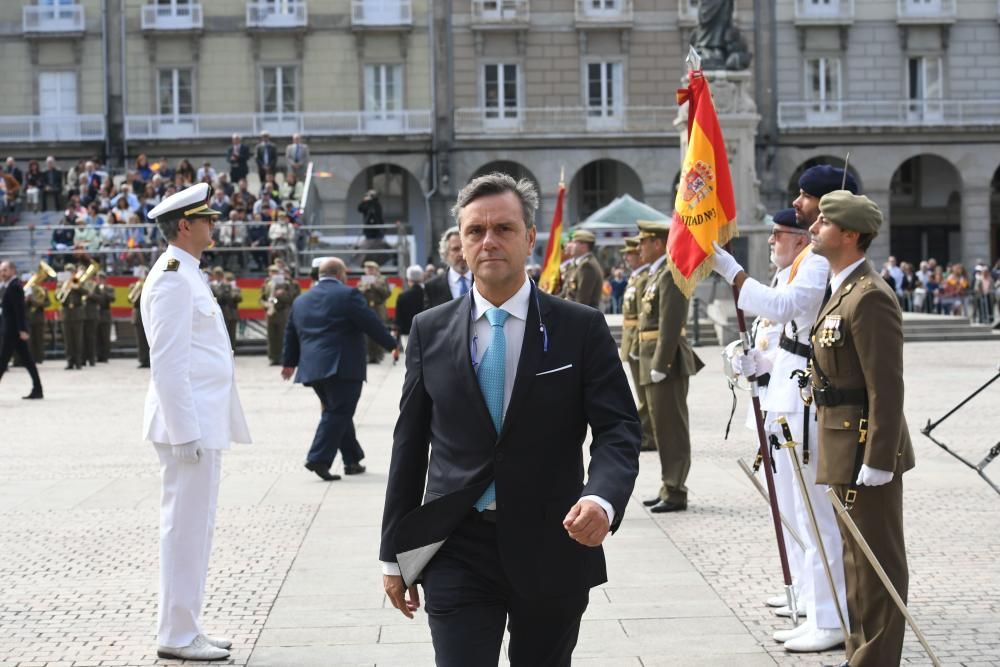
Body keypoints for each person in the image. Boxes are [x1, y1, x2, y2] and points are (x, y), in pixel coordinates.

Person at [379, 172, 640, 666]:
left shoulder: (578, 328)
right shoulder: (429, 331)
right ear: (460, 241)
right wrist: (393, 552)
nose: (488, 241)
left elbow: (619, 429)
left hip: (553, 540)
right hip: (456, 543)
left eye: (503, 228)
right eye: (475, 231)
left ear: (530, 238)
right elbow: (408, 448)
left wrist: (602, 497)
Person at [712, 208, 849, 653]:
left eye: (777, 234)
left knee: (816, 518)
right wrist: (755, 364)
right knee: (797, 513)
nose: (771, 241)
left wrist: (733, 273)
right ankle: (812, 602)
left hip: (802, 402)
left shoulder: (813, 262)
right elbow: (780, 335)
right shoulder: (791, 268)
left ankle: (829, 616)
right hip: (782, 399)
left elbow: (788, 311)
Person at [142, 182, 252, 661]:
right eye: (206, 219)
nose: (213, 225)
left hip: (202, 422)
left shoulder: (188, 272)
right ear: (185, 225)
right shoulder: (170, 277)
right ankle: (177, 634)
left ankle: (187, 624)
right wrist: (184, 431)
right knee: (183, 530)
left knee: (196, 529)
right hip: (187, 427)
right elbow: (167, 364)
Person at [807, 190, 915, 666]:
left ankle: (876, 659)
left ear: (849, 235)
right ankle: (860, 654)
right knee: (855, 565)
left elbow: (886, 387)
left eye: (824, 223)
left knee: (878, 565)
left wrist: (879, 459)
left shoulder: (869, 297)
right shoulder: (842, 289)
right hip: (841, 444)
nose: (813, 228)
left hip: (864, 448)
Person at [281, 257, 398, 481]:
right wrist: (392, 344)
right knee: (338, 412)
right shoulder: (348, 295)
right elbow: (370, 322)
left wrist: (289, 363)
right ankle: (318, 458)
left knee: (337, 410)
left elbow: (291, 334)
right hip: (342, 366)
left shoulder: (301, 301)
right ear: (340, 274)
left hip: (312, 368)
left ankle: (352, 460)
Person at [635, 220, 704, 513]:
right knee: (661, 428)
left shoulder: (671, 274)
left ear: (659, 244)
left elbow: (670, 323)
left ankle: (676, 490)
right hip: (652, 358)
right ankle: (668, 486)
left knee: (672, 429)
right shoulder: (657, 275)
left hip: (668, 363)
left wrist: (661, 362)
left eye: (644, 242)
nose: (639, 248)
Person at [618, 237, 656, 452]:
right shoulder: (636, 278)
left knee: (645, 395)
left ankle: (648, 435)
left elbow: (643, 315)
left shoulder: (643, 278)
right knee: (641, 393)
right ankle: (647, 433)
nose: (628, 257)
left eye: (630, 253)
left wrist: (635, 344)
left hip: (639, 339)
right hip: (631, 337)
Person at [0, 260, 44, 399]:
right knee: (27, 360)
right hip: (9, 329)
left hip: (13, 331)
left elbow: (19, 310)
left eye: (5, 270)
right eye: (1, 270)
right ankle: (38, 388)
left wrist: (22, 330)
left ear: (13, 270)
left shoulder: (15, 286)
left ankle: (38, 388)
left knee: (2, 360)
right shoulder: (6, 286)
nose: (2, 273)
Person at [424, 226, 472, 307]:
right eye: (456, 249)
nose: (462, 254)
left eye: (465, 247)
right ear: (445, 253)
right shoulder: (432, 287)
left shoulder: (486, 281)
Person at [260, 265, 295, 366]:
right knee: (271, 336)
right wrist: (267, 305)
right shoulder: (267, 284)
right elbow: (261, 298)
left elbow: (291, 298)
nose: (273, 274)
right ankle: (273, 357)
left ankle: (282, 357)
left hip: (281, 312)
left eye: (275, 272)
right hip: (270, 312)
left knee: (282, 335)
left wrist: (282, 294)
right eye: (271, 272)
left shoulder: (286, 284)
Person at [358, 261, 392, 364]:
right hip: (367, 308)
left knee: (379, 331)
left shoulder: (382, 279)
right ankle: (369, 355)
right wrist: (365, 288)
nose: (369, 271)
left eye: (371, 269)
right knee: (367, 333)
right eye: (367, 269)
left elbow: (387, 293)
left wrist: (374, 285)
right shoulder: (363, 280)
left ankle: (378, 355)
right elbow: (358, 293)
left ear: (376, 270)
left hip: (378, 307)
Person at [561, 229, 604, 308]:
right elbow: (566, 293)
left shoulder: (587, 265)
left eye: (574, 242)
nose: (570, 245)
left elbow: (582, 300)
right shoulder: (579, 264)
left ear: (583, 247)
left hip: (581, 316)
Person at [57, 263, 86, 370]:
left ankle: (78, 362)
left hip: (77, 313)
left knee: (78, 339)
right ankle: (70, 361)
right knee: (68, 340)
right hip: (66, 314)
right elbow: (58, 296)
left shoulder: (79, 281)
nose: (69, 273)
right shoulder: (61, 283)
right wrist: (64, 287)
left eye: (71, 271)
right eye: (67, 271)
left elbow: (86, 292)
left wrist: (76, 287)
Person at [394, 264, 428, 345]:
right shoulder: (427, 294)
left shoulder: (402, 296)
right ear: (422, 278)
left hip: (407, 333)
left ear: (409, 279)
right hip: (426, 331)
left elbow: (398, 319)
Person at [209, 267, 241, 350]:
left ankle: (231, 352)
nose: (218, 276)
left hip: (228, 313)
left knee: (230, 336)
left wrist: (232, 289)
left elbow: (235, 299)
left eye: (219, 274)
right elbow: (217, 298)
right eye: (216, 274)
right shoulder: (212, 286)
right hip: (217, 313)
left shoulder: (229, 286)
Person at [91, 272, 115, 363]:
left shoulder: (109, 288)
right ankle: (98, 355)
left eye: (101, 278)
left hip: (105, 313)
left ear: (105, 279)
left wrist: (103, 290)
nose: (99, 280)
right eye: (98, 278)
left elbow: (112, 298)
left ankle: (105, 356)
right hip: (95, 313)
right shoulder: (94, 288)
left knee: (105, 336)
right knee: (97, 336)